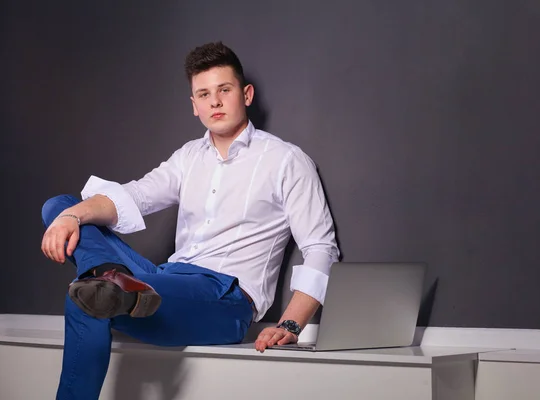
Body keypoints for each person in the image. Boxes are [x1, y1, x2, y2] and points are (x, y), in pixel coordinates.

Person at [40, 41, 339, 399]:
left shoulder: (286, 160)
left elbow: (321, 247)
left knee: (83, 299)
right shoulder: (188, 157)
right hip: (162, 280)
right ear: (194, 105)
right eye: (204, 94)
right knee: (60, 206)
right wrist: (70, 216)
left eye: (224, 90)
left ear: (245, 94)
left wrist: (291, 322)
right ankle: (109, 281)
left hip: (225, 297)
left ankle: (110, 286)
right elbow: (134, 196)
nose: (214, 101)